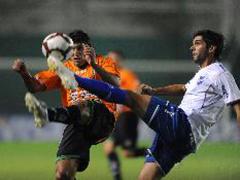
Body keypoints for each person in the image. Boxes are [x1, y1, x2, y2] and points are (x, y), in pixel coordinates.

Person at [24, 29, 240, 179]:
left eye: (198, 43)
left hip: (182, 124)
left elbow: (237, 105)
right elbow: (183, 88)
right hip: (185, 142)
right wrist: (156, 91)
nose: (192, 47)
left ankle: (72, 81)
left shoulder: (221, 73)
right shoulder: (203, 74)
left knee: (128, 96)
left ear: (211, 49)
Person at [12, 30, 120, 180]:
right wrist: (24, 73)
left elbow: (116, 84)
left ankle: (47, 114)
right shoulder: (63, 68)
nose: (75, 53)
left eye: (80, 48)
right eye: (72, 49)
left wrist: (94, 64)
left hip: (103, 119)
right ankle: (48, 114)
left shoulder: (103, 61)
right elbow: (35, 87)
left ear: (88, 48)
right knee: (63, 174)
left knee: (85, 104)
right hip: (77, 122)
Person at [103, 50, 146, 180]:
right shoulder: (104, 76)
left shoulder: (126, 74)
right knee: (108, 148)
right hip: (116, 117)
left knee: (129, 153)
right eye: (109, 58)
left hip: (128, 117)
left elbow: (137, 90)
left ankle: (157, 151)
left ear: (119, 61)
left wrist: (123, 97)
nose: (111, 61)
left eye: (114, 59)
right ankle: (117, 178)